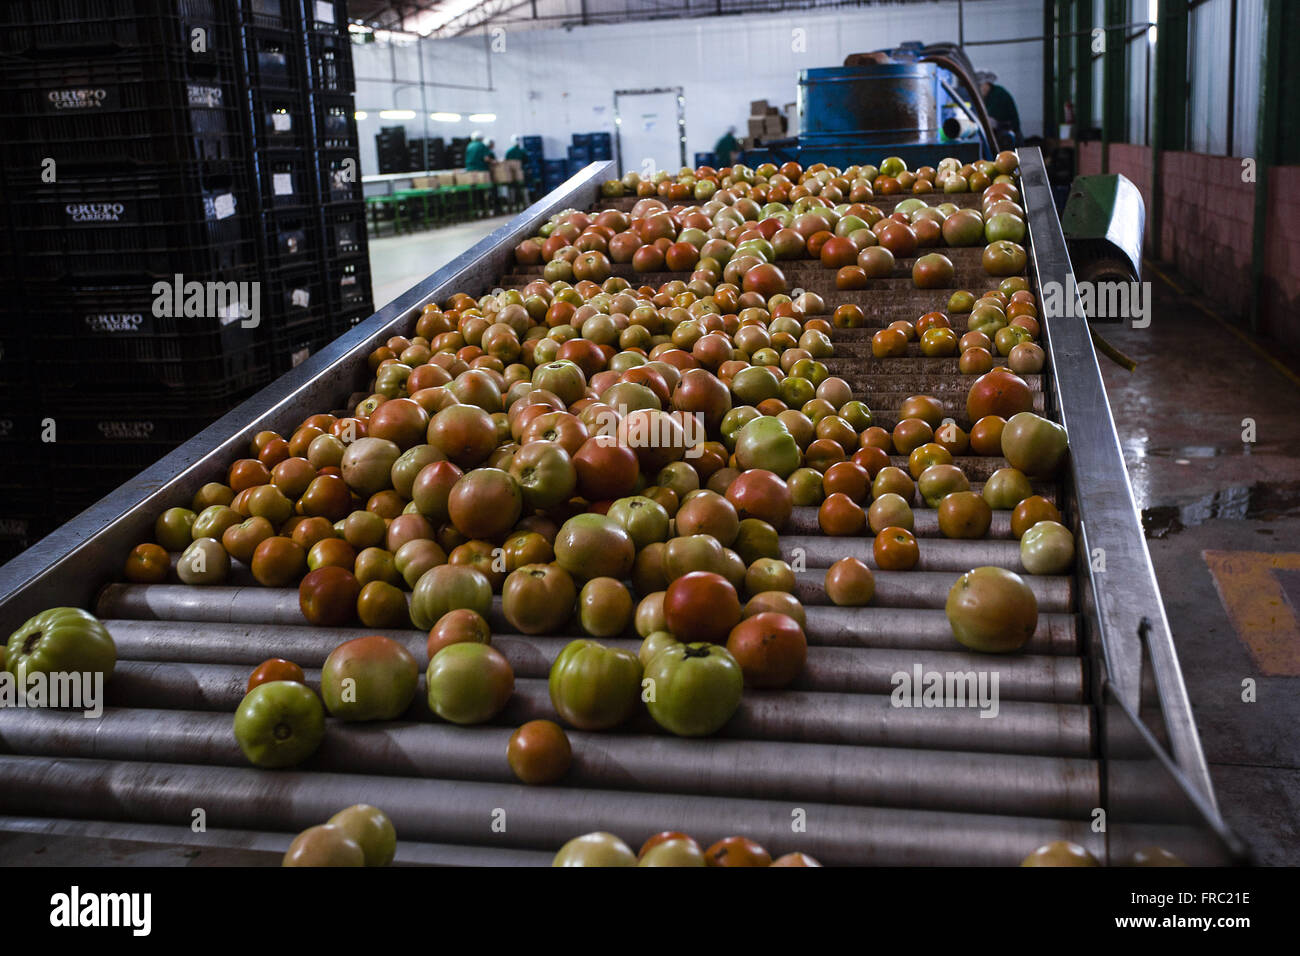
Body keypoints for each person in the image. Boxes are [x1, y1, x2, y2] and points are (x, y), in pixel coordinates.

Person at [977, 71, 1022, 147]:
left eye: (979, 86)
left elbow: (989, 121)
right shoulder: (989, 96)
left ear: (987, 84)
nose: (978, 89)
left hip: (1008, 138)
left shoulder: (998, 95)